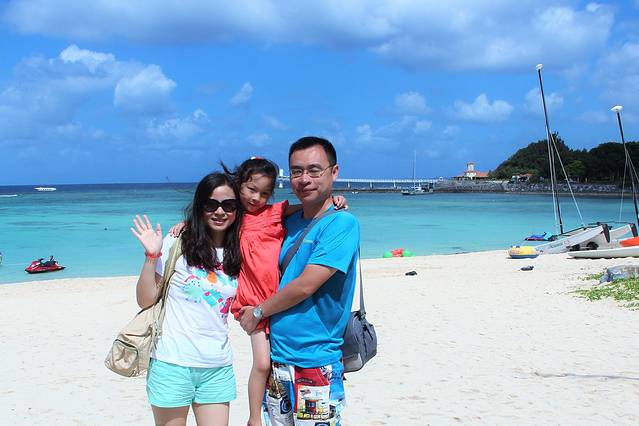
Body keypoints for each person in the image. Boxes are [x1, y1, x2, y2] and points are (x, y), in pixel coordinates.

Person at [169, 158, 347, 426]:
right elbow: (210, 218)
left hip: (277, 299)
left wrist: (335, 201)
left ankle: (274, 406)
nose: (256, 198)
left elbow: (311, 209)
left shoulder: (275, 212)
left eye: (264, 193)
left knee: (277, 361)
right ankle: (254, 417)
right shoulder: (236, 217)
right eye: (251, 189)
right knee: (262, 363)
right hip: (252, 301)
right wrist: (184, 224)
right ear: (239, 185)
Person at [239, 136, 360, 426]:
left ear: (334, 172)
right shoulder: (288, 222)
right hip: (278, 358)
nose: (304, 179)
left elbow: (306, 285)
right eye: (296, 171)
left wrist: (258, 312)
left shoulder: (341, 223)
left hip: (315, 361)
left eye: (314, 170)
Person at [131, 172, 242, 426]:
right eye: (211, 204)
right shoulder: (177, 242)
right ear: (200, 206)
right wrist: (151, 256)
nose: (220, 212)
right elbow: (145, 300)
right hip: (172, 363)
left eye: (228, 205)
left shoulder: (239, 249)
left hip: (217, 365)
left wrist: (330, 202)